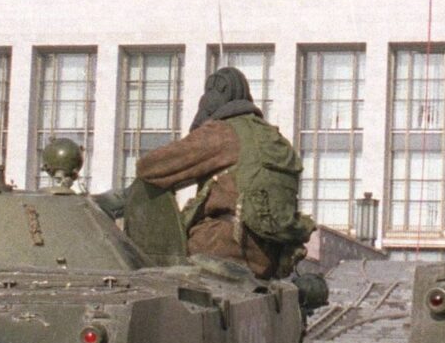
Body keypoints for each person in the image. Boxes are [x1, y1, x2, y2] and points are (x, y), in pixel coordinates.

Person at [134, 67, 314, 277]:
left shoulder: (224, 133)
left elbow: (149, 167)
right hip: (269, 260)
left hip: (219, 249)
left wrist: (201, 120)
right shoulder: (276, 139)